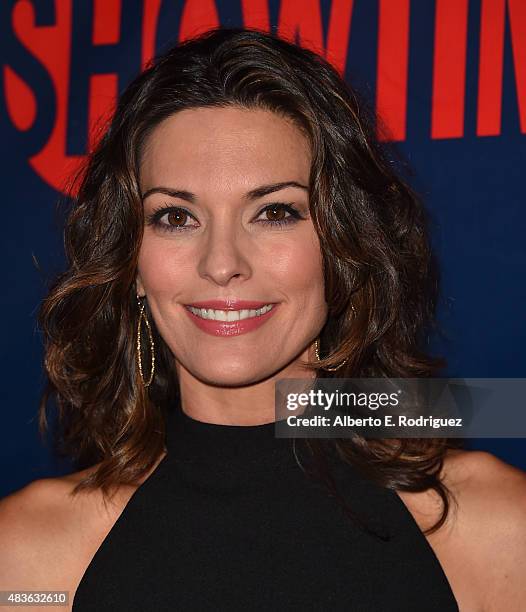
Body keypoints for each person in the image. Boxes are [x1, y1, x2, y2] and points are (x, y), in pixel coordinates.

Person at [1, 27, 525, 611]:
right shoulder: (30, 557)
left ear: (345, 245)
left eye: (274, 212)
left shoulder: (494, 529)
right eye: (175, 217)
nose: (222, 264)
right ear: (130, 262)